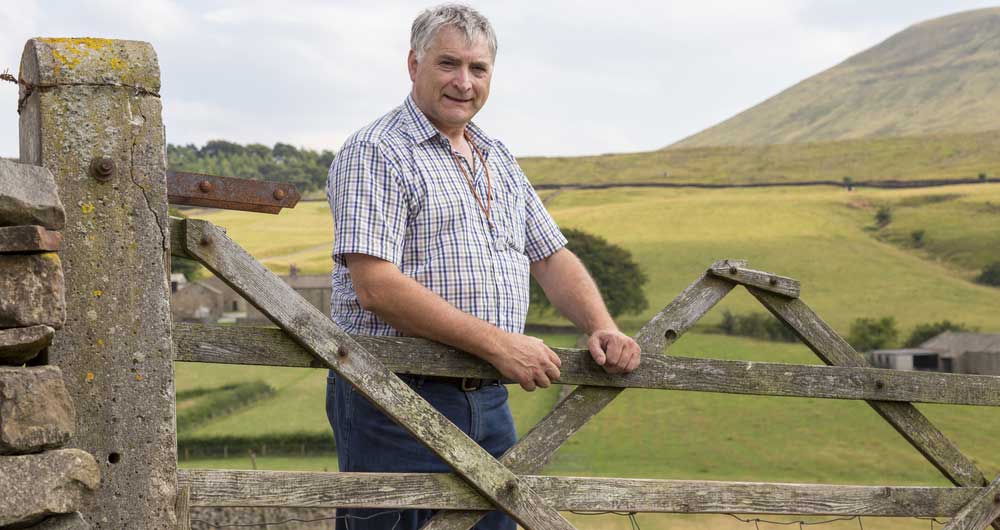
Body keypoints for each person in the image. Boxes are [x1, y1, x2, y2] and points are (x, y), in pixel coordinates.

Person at [325, 4, 641, 529]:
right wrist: (501, 344)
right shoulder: (376, 151)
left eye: (478, 68)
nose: (463, 82)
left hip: (488, 397)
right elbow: (375, 286)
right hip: (392, 395)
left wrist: (601, 325)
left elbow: (550, 255)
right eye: (448, 64)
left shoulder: (497, 157)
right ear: (413, 64)